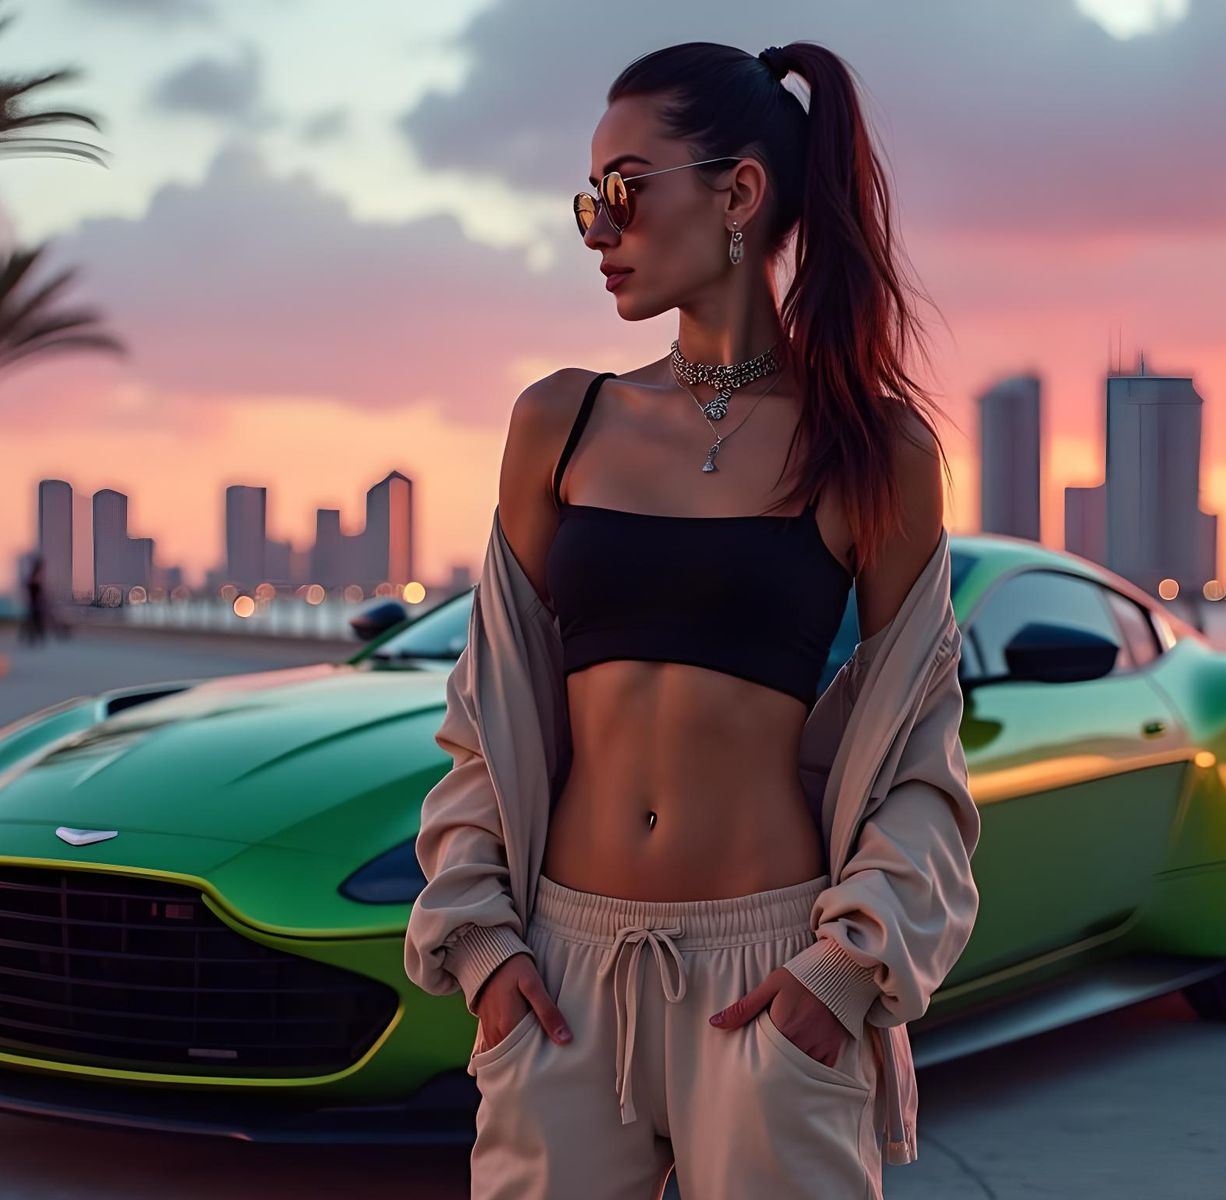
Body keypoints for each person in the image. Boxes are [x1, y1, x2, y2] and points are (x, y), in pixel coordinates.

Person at [404, 40, 980, 1199]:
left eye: (622, 190)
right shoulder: (558, 423)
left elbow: (920, 756)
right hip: (559, 985)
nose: (595, 230)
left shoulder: (873, 450)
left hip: (770, 983)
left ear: (739, 192)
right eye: (586, 199)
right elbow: (486, 716)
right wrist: (486, 949)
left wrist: (840, 973)